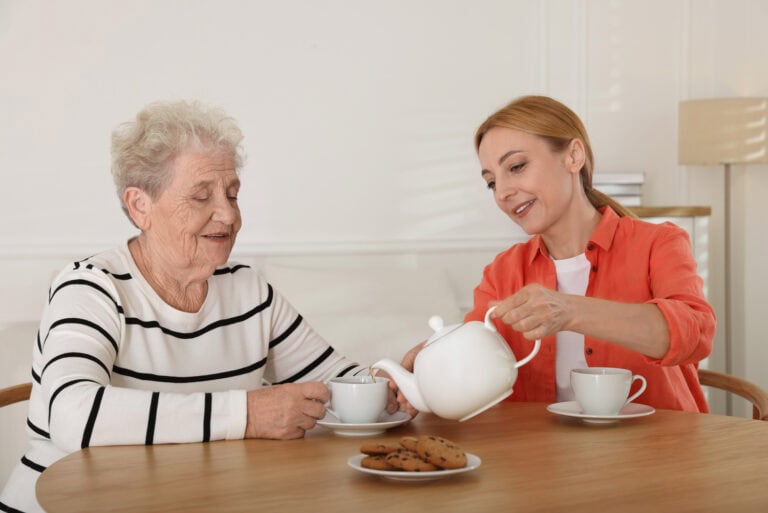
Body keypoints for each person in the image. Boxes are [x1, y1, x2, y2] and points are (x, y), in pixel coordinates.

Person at [0, 100, 391, 513]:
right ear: (140, 206)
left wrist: (392, 382)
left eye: (232, 194)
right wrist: (246, 414)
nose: (227, 214)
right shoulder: (91, 287)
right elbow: (72, 414)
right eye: (201, 196)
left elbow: (338, 383)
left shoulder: (248, 291)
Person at [398, 95, 715, 415]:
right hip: (542, 460)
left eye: (517, 167)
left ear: (573, 156)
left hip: (661, 455)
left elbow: (695, 334)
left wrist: (569, 310)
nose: (503, 192)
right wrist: (424, 374)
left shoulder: (658, 243)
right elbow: (473, 365)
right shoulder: (502, 273)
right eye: (491, 182)